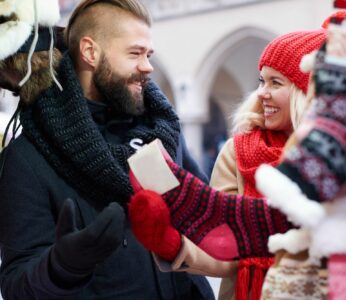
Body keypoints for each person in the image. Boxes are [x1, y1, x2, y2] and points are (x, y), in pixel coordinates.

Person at [0, 0, 214, 299]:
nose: (148, 66)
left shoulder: (162, 132)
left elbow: (211, 216)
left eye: (148, 54)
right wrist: (62, 266)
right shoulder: (28, 158)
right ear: (90, 52)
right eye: (135, 53)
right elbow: (15, 285)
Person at [129, 28, 327, 300]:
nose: (261, 94)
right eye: (261, 81)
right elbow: (226, 247)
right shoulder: (239, 151)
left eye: (276, 83)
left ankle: (188, 199)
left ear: (308, 92)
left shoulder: (341, 156)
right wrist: (176, 247)